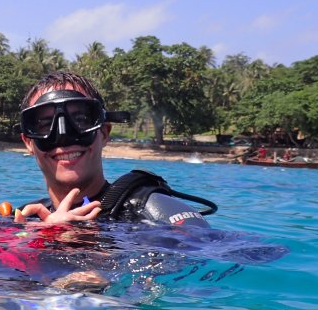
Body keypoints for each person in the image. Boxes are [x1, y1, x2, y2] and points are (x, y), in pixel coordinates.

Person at [13, 71, 215, 227]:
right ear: (28, 142)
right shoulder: (24, 219)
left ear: (104, 133)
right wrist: (43, 240)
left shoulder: (153, 212)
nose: (63, 137)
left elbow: (207, 262)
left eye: (81, 120)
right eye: (45, 124)